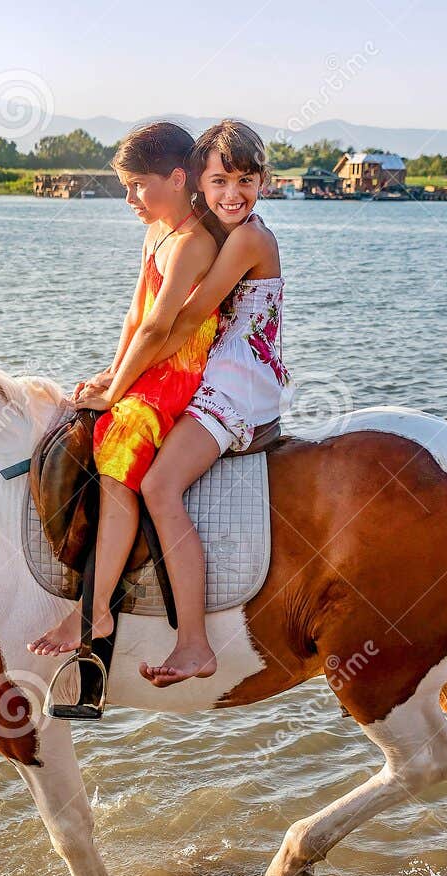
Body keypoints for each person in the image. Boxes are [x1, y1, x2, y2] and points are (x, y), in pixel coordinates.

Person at [27, 122, 221, 661]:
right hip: (147, 367)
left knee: (119, 436)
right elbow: (135, 318)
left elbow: (161, 330)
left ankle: (97, 607)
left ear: (178, 177)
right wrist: (112, 375)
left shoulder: (193, 243)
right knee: (82, 418)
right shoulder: (156, 232)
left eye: (138, 185)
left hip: (180, 373)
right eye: (127, 186)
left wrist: (119, 399)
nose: (129, 198)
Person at [114, 119, 290, 687]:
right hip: (213, 367)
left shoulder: (248, 238)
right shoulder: (206, 228)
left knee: (159, 486)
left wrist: (120, 383)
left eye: (245, 180)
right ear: (198, 183)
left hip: (241, 380)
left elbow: (187, 318)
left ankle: (195, 642)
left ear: (263, 181)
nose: (232, 194)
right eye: (219, 182)